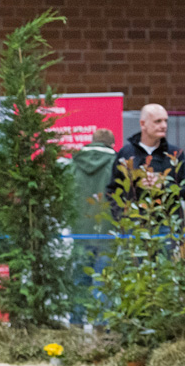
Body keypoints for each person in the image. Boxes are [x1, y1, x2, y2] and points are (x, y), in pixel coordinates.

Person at [69, 129, 116, 325]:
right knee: (103, 280)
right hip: (107, 231)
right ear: (112, 144)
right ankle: (101, 327)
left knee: (80, 279)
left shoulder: (74, 162)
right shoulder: (116, 162)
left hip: (79, 230)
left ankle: (76, 323)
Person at [106, 104, 183, 216]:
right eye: (158, 121)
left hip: (168, 224)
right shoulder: (126, 153)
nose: (164, 125)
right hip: (134, 223)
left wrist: (163, 186)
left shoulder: (175, 154)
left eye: (165, 121)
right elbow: (113, 189)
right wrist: (121, 215)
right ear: (143, 124)